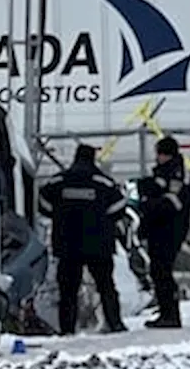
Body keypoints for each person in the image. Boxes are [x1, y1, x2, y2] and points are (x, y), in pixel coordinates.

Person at [38, 143, 128, 335]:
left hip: (67, 243)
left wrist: (59, 215)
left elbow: (42, 204)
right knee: (106, 286)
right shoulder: (103, 182)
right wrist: (104, 219)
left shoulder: (59, 181)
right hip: (99, 244)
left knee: (68, 290)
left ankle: (67, 328)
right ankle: (115, 323)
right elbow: (120, 206)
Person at [137, 136, 190, 329]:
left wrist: (148, 205)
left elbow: (172, 202)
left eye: (159, 154)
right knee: (159, 270)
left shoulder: (175, 173)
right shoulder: (168, 171)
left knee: (162, 270)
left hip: (168, 228)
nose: (157, 158)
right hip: (162, 227)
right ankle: (166, 311)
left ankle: (170, 314)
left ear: (165, 154)